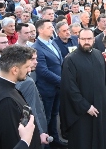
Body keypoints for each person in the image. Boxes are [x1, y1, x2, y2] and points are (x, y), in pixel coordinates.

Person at [59, 28, 106, 149]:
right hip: (82, 112)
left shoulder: (98, 55)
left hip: (100, 107)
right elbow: (69, 88)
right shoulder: (70, 60)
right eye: (83, 39)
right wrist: (86, 106)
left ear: (94, 40)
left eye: (89, 38)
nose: (86, 41)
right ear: (78, 40)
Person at [0, 45, 41, 149]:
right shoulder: (7, 101)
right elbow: (13, 142)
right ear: (15, 70)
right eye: (26, 67)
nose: (29, 70)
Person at [32, 19, 66, 148]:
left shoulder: (52, 43)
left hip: (57, 87)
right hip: (47, 89)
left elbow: (59, 62)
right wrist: (62, 81)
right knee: (46, 117)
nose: (52, 29)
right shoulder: (37, 48)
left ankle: (55, 140)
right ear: (40, 30)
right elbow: (43, 71)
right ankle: (45, 143)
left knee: (54, 115)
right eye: (49, 27)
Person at [16, 49, 50, 146]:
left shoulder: (30, 76)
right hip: (34, 130)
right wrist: (40, 132)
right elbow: (32, 109)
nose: (36, 62)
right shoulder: (26, 82)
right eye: (32, 59)